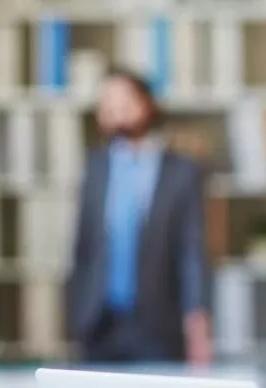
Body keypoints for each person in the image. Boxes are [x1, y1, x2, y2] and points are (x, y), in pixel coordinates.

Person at [65, 68, 213, 365]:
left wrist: (197, 323)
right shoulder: (96, 167)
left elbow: (191, 250)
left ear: (147, 104)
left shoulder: (180, 172)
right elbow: (82, 246)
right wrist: (74, 313)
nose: (114, 110)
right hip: (99, 322)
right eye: (106, 102)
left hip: (157, 323)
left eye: (123, 100)